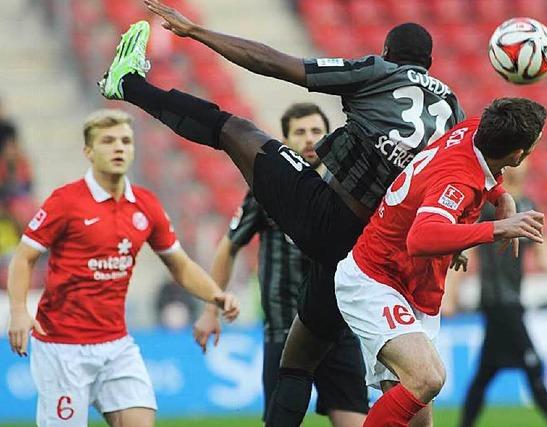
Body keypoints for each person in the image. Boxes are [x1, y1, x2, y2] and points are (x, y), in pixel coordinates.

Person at [97, 16, 515, 425]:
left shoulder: (379, 72)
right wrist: (477, 222)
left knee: (234, 129)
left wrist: (200, 33)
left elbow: (276, 63)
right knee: (302, 358)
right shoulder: (455, 113)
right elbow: (461, 181)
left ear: (388, 54)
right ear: (431, 64)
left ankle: (128, 84)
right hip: (365, 260)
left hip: (326, 213)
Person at [6, 109, 240, 427]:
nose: (119, 148)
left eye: (125, 141)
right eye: (108, 141)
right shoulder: (66, 201)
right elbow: (23, 258)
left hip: (116, 344)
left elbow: (180, 265)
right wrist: (19, 311)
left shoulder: (145, 204)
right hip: (62, 347)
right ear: (88, 151)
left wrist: (216, 295)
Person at [333, 98, 547, 426]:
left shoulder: (477, 129)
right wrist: (495, 227)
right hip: (377, 280)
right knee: (428, 377)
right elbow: (420, 238)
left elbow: (481, 173)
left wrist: (501, 196)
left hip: (414, 287)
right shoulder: (458, 181)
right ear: (518, 156)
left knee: (419, 421)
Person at [193, 102, 369, 425]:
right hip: (284, 331)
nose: (309, 139)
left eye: (316, 131)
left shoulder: (347, 191)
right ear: (285, 140)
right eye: (299, 132)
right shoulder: (270, 188)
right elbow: (229, 246)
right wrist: (210, 310)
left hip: (339, 327)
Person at [441, 162, 547, 427]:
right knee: (534, 368)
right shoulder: (491, 206)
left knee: (485, 374)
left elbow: (545, 253)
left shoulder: (529, 204)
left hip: (512, 303)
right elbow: (467, 250)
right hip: (498, 303)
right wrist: (450, 294)